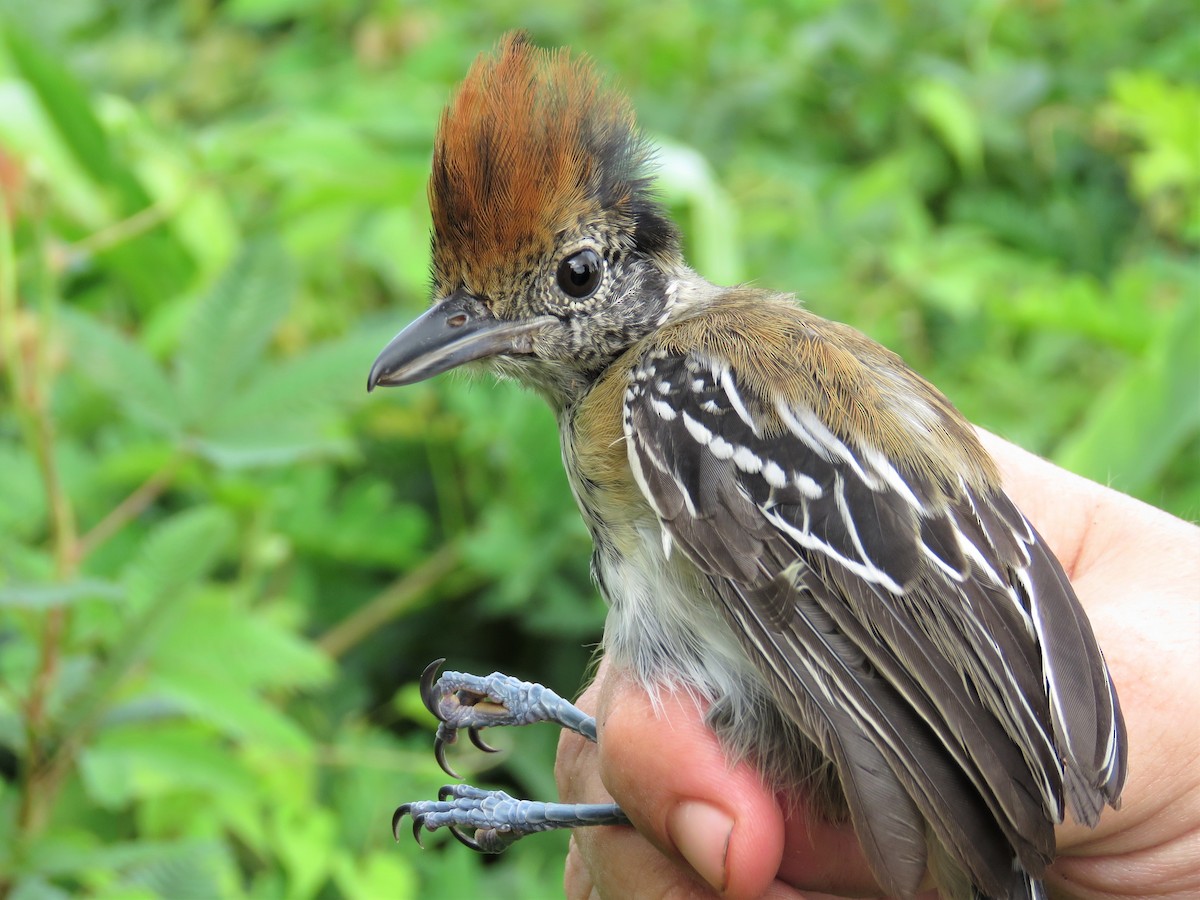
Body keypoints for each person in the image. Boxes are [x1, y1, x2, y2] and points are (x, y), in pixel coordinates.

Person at [557, 430, 1200, 899]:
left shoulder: (673, 393)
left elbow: (805, 693)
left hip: (956, 749)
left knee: (715, 797)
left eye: (577, 280)